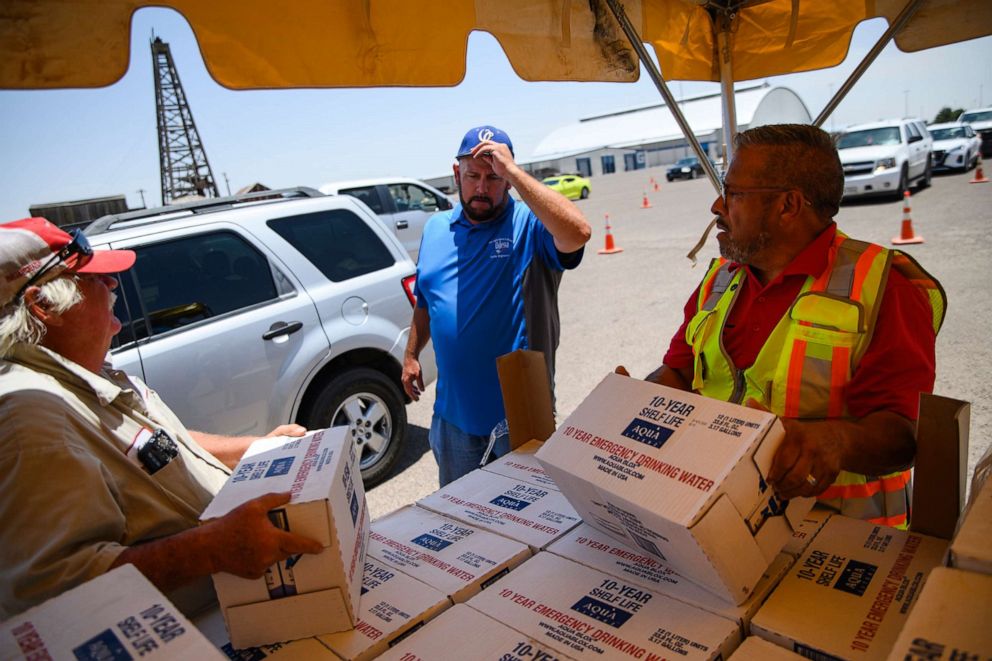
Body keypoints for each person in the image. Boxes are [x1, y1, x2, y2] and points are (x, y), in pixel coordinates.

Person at [0, 217, 323, 619]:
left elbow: (156, 445)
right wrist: (211, 549)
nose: (113, 285)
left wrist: (253, 449)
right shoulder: (30, 416)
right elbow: (54, 590)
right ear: (43, 306)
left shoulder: (79, 375)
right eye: (96, 280)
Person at [645, 124, 944, 529]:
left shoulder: (885, 288)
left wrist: (835, 442)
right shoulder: (718, 282)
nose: (717, 206)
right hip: (726, 524)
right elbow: (678, 372)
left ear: (788, 205)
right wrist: (636, 405)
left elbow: (904, 437)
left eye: (733, 193)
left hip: (838, 539)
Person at [402, 126, 591, 486]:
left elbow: (578, 232)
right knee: (462, 522)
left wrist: (516, 174)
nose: (482, 188)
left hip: (518, 418)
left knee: (529, 527)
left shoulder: (528, 226)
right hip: (452, 418)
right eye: (473, 176)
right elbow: (426, 299)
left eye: (494, 177)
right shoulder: (436, 229)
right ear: (457, 174)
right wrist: (411, 354)